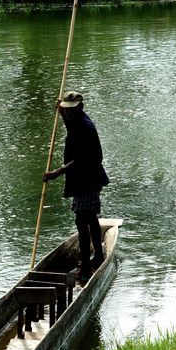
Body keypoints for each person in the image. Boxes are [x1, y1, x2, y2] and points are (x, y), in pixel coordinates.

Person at [42, 91, 109, 283]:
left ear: (80, 107)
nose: (69, 113)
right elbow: (71, 128)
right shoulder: (76, 120)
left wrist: (56, 173)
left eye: (71, 110)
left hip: (89, 178)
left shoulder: (86, 127)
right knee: (88, 217)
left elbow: (80, 159)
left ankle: (88, 265)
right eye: (67, 110)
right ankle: (97, 255)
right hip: (83, 179)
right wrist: (62, 112)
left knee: (82, 219)